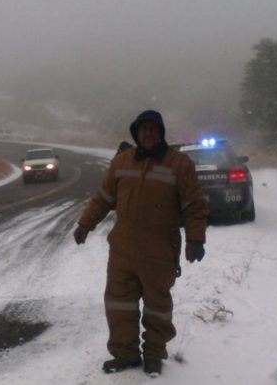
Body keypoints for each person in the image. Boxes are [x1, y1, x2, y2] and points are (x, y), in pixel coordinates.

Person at [73, 109, 208, 377]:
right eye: (143, 129)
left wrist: (196, 239)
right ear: (136, 132)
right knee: (119, 303)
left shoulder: (179, 164)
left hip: (160, 249)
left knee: (157, 306)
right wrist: (85, 223)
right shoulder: (122, 162)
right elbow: (103, 198)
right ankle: (125, 353)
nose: (148, 133)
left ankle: (154, 355)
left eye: (153, 128)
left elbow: (194, 206)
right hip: (123, 248)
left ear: (161, 132)